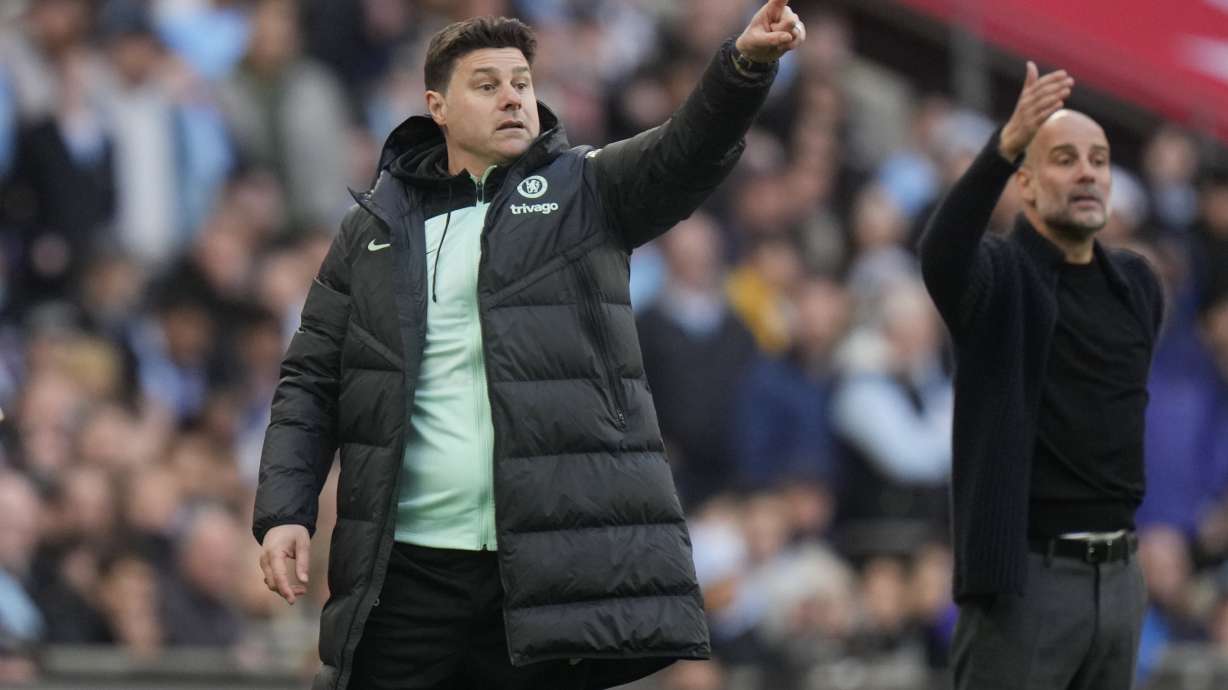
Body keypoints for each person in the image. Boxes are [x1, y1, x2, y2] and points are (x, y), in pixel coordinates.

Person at [253, 5, 806, 690]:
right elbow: (310, 381)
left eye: (521, 81)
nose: (513, 96)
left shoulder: (586, 189)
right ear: (438, 106)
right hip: (406, 572)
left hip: (540, 576)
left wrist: (744, 66)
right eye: (487, 84)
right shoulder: (371, 232)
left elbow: (686, 149)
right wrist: (285, 511)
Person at [918, 62, 1165, 689]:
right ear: (1024, 185)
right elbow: (942, 252)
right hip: (1027, 582)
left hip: (1120, 578)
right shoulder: (998, 278)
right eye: (1064, 159)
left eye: (1100, 159)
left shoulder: (1136, 284)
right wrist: (1003, 146)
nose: (1088, 172)